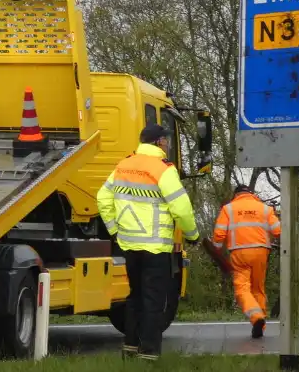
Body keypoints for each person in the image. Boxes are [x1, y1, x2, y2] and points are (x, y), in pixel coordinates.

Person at [97, 123, 200, 361]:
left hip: (129, 246)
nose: (168, 144)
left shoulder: (124, 164)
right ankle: (149, 353)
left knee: (134, 296)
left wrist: (115, 230)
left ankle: (130, 347)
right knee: (153, 300)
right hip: (156, 247)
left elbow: (103, 198)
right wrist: (192, 234)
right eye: (166, 140)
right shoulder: (163, 169)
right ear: (158, 142)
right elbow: (181, 208)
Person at [212, 184, 281, 338]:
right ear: (251, 194)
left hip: (239, 253)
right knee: (258, 288)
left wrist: (216, 250)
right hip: (261, 251)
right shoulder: (265, 209)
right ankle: (260, 324)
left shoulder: (228, 209)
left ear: (236, 195)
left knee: (242, 288)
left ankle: (256, 318)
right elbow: (278, 230)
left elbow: (219, 234)